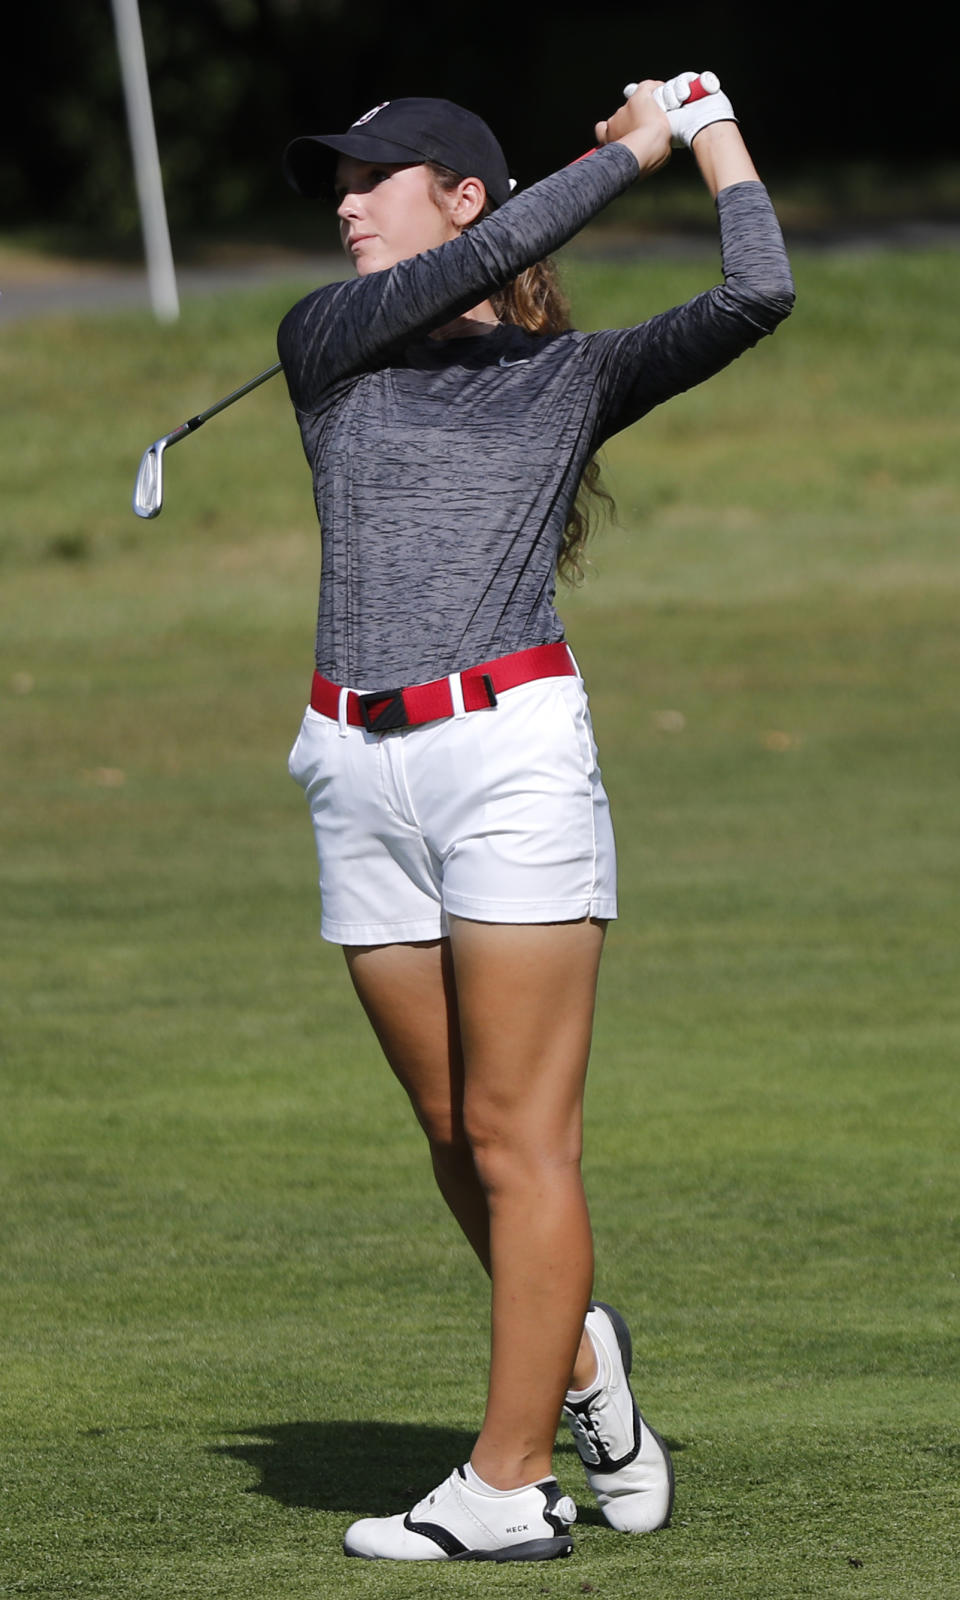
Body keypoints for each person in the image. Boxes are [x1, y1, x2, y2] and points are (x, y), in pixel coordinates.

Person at [277, 74, 794, 1563]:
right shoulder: (328, 339)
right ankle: (580, 1359)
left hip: (506, 752)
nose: (348, 199)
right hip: (349, 760)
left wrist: (699, 130)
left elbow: (758, 287)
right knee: (453, 1127)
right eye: (342, 179)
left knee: (521, 1138)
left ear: (471, 200)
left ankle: (507, 1489)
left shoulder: (571, 379)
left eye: (383, 175)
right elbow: (458, 280)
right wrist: (624, 149)